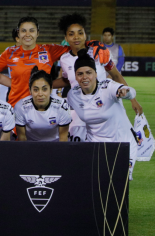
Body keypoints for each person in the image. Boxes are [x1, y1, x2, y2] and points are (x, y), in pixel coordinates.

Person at [55, 13, 142, 142]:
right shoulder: (64, 59)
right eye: (71, 34)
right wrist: (47, 84)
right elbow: (68, 81)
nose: (76, 37)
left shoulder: (99, 51)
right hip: (82, 110)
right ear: (66, 38)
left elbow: (116, 75)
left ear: (85, 35)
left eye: (80, 32)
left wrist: (133, 100)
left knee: (117, 145)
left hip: (108, 106)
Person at [67, 49, 137, 180]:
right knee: (96, 185)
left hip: (122, 143)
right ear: (75, 76)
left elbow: (131, 91)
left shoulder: (108, 87)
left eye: (89, 73)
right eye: (80, 74)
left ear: (96, 74)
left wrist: (125, 92)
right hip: (95, 145)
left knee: (119, 182)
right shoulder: (73, 95)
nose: (84, 77)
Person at [0, 17, 71, 112]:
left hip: (43, 109)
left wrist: (50, 84)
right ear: (18, 33)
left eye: (31, 31)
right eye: (23, 31)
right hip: (17, 107)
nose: (27, 34)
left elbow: (76, 50)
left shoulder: (48, 50)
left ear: (37, 33)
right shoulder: (9, 53)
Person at [14, 66, 71, 141]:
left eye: (44, 89)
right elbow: (22, 138)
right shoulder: (20, 107)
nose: (40, 94)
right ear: (30, 91)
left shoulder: (62, 106)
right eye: (36, 90)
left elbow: (63, 139)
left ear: (51, 89)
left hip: (56, 146)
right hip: (31, 146)